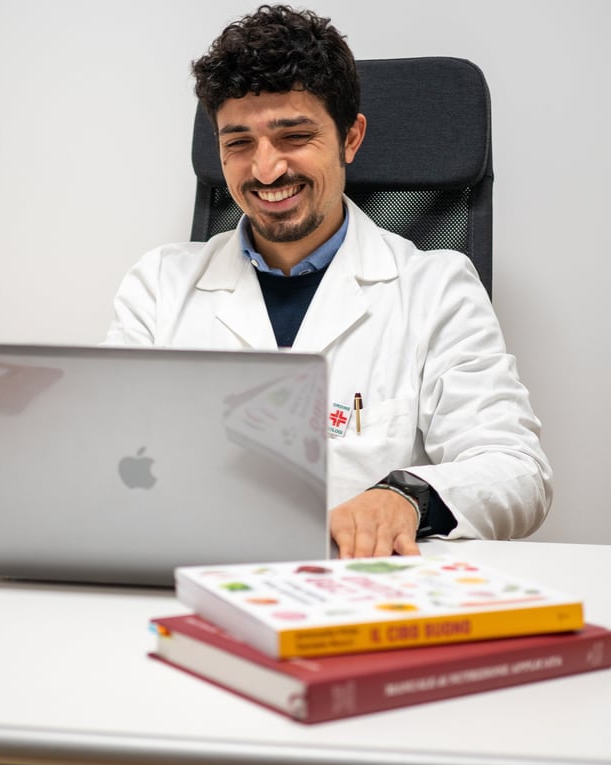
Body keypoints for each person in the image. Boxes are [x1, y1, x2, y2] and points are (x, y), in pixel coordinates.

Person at [105, 4, 552, 558]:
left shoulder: (435, 288)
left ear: (350, 138)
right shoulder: (158, 287)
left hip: (357, 595)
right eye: (238, 142)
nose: (266, 170)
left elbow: (518, 470)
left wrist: (407, 495)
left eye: (293, 135)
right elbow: (109, 457)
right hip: (191, 576)